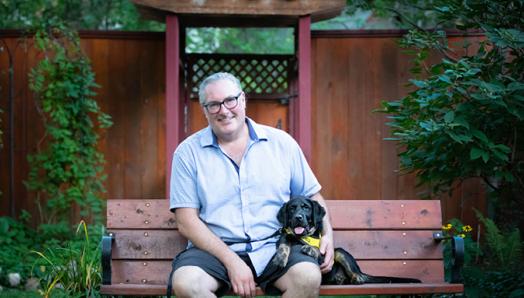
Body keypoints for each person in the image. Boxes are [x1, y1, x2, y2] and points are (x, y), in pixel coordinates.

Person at [168, 72, 334, 298]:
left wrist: (328, 236)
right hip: (214, 251)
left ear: (243, 99)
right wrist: (232, 261)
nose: (224, 110)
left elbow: (312, 196)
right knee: (186, 283)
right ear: (204, 110)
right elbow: (186, 222)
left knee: (308, 277)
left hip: (277, 245)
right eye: (214, 105)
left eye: (230, 100)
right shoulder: (187, 153)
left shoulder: (282, 144)